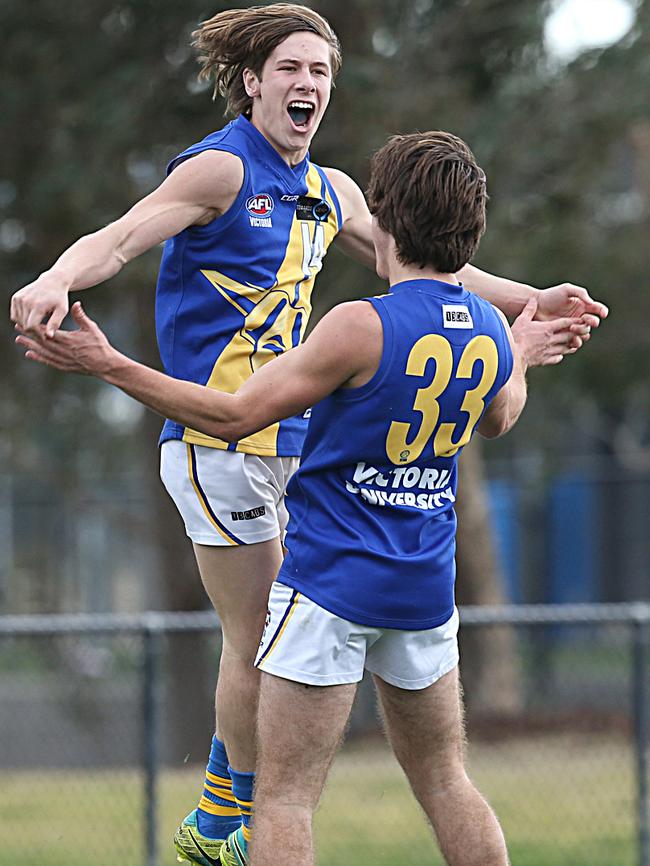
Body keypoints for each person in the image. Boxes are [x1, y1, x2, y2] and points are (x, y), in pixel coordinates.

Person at [10, 5, 607, 864]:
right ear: (252, 81)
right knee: (259, 638)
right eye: (290, 68)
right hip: (215, 438)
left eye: (321, 72)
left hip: (282, 441)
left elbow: (429, 257)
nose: (308, 85)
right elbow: (126, 234)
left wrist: (526, 298)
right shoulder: (221, 170)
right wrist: (58, 275)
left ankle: (227, 809)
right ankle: (221, 822)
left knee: (275, 644)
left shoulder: (334, 191)